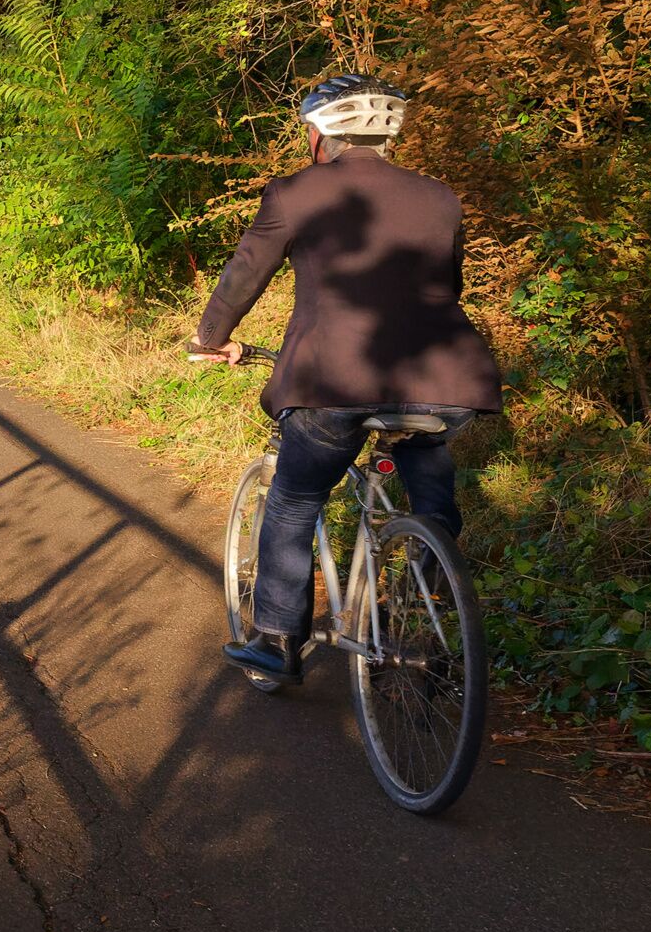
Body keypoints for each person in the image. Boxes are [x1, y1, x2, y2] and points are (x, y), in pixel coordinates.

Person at [187, 72, 501, 689]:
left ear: (318, 135)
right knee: (432, 495)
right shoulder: (440, 197)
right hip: (447, 380)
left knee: (295, 498)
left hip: (334, 383)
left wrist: (212, 336)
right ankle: (419, 608)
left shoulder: (295, 193)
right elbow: (447, 287)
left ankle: (277, 640)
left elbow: (245, 272)